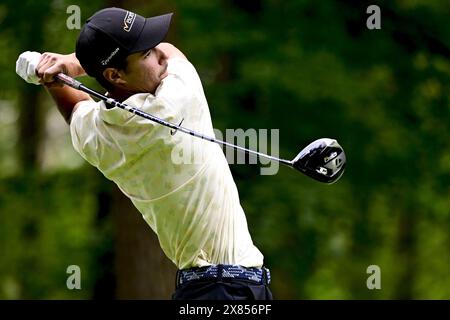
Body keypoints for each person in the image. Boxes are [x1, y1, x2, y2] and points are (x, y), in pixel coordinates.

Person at [16, 7, 272, 300]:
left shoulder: (100, 137)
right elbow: (172, 49)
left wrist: (52, 74)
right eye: (147, 53)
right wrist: (71, 65)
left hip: (210, 289)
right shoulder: (176, 101)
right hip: (224, 289)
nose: (160, 55)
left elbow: (74, 107)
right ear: (115, 75)